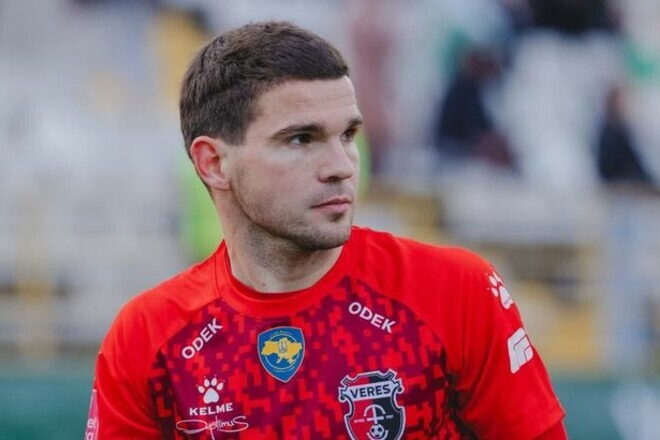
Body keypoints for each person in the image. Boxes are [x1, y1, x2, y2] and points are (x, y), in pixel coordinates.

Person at [85, 21, 566, 439]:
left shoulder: (454, 291)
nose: (342, 166)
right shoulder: (146, 337)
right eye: (301, 139)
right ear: (213, 163)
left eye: (348, 135)